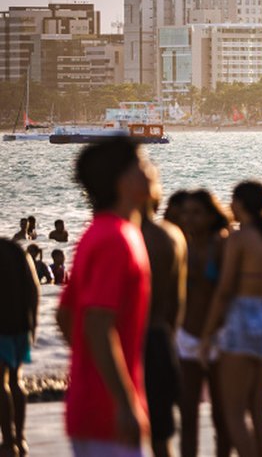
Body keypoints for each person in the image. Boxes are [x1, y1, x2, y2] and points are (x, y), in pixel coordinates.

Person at [57, 138, 154, 457]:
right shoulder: (116, 239)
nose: (152, 170)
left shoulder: (99, 231)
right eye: (143, 163)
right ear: (123, 180)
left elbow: (66, 315)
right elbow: (98, 324)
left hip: (93, 404)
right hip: (108, 413)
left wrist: (89, 367)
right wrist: (124, 403)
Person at [199, 181, 262, 457]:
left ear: (240, 204)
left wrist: (207, 334)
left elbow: (224, 290)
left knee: (233, 413)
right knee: (259, 408)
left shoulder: (240, 239)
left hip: (242, 320)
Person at [177, 190, 232, 457]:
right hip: (187, 336)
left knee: (221, 413)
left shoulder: (220, 244)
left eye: (197, 212)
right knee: (187, 412)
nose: (189, 218)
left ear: (211, 216)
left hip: (218, 337)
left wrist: (213, 333)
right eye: (186, 212)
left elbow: (228, 293)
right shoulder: (180, 244)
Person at [142, 173, 187, 457]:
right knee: (162, 431)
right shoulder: (171, 238)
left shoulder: (132, 236)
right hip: (163, 338)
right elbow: (176, 306)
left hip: (141, 338)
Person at [0, 237, 38, 457]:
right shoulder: (16, 250)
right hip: (21, 325)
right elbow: (34, 289)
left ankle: (7, 443)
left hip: (2, 327)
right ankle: (20, 438)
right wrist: (33, 324)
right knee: (16, 379)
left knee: (1, 382)